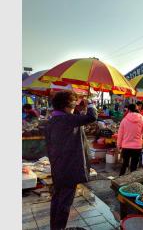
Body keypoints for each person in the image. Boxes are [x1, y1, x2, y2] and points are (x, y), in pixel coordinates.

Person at [45, 91, 97, 230]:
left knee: (57, 199)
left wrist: (79, 108)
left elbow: (76, 120)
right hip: (69, 169)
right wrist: (90, 103)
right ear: (67, 106)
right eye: (73, 104)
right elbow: (92, 116)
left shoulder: (52, 121)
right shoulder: (67, 120)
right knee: (65, 203)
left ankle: (54, 227)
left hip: (58, 167)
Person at [117, 104, 143, 176]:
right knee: (134, 166)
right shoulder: (142, 120)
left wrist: (118, 145)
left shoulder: (124, 120)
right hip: (137, 146)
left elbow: (120, 134)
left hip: (126, 146)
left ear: (129, 110)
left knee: (124, 164)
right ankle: (132, 181)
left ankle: (120, 180)